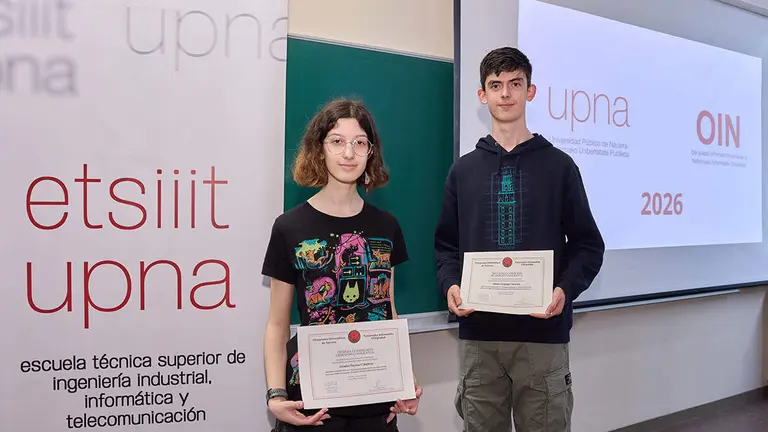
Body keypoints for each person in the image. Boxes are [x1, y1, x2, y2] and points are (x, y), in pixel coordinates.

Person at [434, 47, 605, 432]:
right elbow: (446, 246)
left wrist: (564, 288)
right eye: (496, 85)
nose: (506, 94)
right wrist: (450, 286)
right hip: (480, 338)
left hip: (542, 336)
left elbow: (588, 245)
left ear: (530, 91)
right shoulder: (463, 171)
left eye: (515, 84)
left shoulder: (560, 166)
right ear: (482, 95)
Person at [262, 99, 422, 432]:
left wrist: (405, 379)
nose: (348, 153)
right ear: (319, 150)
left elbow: (387, 312)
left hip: (377, 399)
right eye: (337, 141)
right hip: (313, 404)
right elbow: (277, 325)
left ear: (371, 152)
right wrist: (276, 396)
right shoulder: (289, 227)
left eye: (359, 142)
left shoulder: (387, 226)